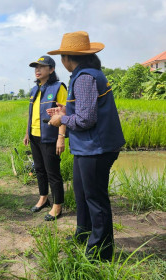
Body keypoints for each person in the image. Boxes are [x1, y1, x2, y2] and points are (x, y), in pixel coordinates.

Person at [46, 31, 125, 260]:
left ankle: (101, 251)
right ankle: (84, 235)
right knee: (82, 194)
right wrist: (65, 110)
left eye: (62, 56)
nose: (62, 61)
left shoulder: (84, 78)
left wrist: (62, 119)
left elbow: (86, 119)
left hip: (96, 149)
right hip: (86, 148)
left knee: (96, 199)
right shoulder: (84, 75)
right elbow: (84, 111)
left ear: (67, 58)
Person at [23, 55, 67, 221]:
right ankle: (43, 198)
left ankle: (57, 205)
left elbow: (64, 113)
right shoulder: (34, 90)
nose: (38, 70)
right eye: (36, 67)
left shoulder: (58, 87)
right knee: (39, 170)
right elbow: (31, 114)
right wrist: (27, 133)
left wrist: (61, 138)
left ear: (52, 69)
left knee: (52, 172)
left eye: (42, 67)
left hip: (50, 137)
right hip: (34, 136)